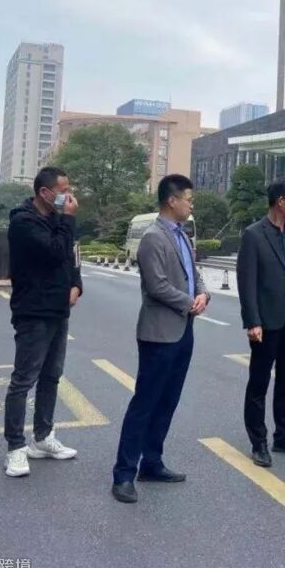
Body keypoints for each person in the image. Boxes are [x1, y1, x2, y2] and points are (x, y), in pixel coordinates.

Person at [112, 174, 210, 503]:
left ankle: (151, 463)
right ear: (172, 200)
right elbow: (156, 286)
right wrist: (189, 302)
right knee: (145, 403)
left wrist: (203, 294)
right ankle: (123, 474)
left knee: (168, 400)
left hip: (183, 329)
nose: (191, 205)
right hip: (159, 333)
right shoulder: (153, 237)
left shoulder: (182, 235)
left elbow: (193, 274)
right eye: (188, 199)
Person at [3, 167, 83, 478]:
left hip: (58, 310)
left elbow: (71, 255)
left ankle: (43, 436)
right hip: (34, 311)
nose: (68, 195)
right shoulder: (23, 222)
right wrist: (68, 219)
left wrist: (76, 284)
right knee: (23, 380)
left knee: (51, 376)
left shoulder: (57, 219)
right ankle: (15, 447)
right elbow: (54, 252)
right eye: (63, 190)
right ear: (44, 192)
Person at [237, 177, 285, 468]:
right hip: (267, 321)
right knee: (259, 382)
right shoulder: (254, 235)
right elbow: (247, 281)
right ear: (280, 201)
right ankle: (259, 442)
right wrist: (252, 321)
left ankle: (284, 435)